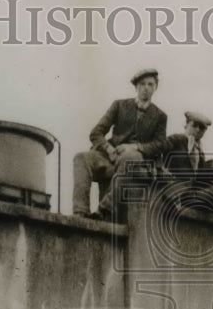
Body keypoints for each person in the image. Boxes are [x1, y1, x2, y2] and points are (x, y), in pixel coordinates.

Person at [72, 68, 167, 221]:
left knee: (130, 156)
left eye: (150, 84)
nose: (146, 88)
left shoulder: (160, 116)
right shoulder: (119, 105)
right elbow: (95, 132)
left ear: (156, 87)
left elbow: (160, 144)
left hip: (135, 161)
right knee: (81, 158)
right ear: (136, 87)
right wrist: (109, 149)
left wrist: (136, 147)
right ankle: (80, 213)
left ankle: (104, 210)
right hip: (111, 155)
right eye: (142, 84)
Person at [151, 111, 213, 214]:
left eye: (202, 128)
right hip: (176, 188)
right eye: (194, 125)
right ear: (186, 125)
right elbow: (156, 151)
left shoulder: (199, 151)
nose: (198, 130)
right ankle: (178, 201)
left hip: (192, 192)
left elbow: (201, 178)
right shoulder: (176, 139)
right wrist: (161, 169)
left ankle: (208, 205)